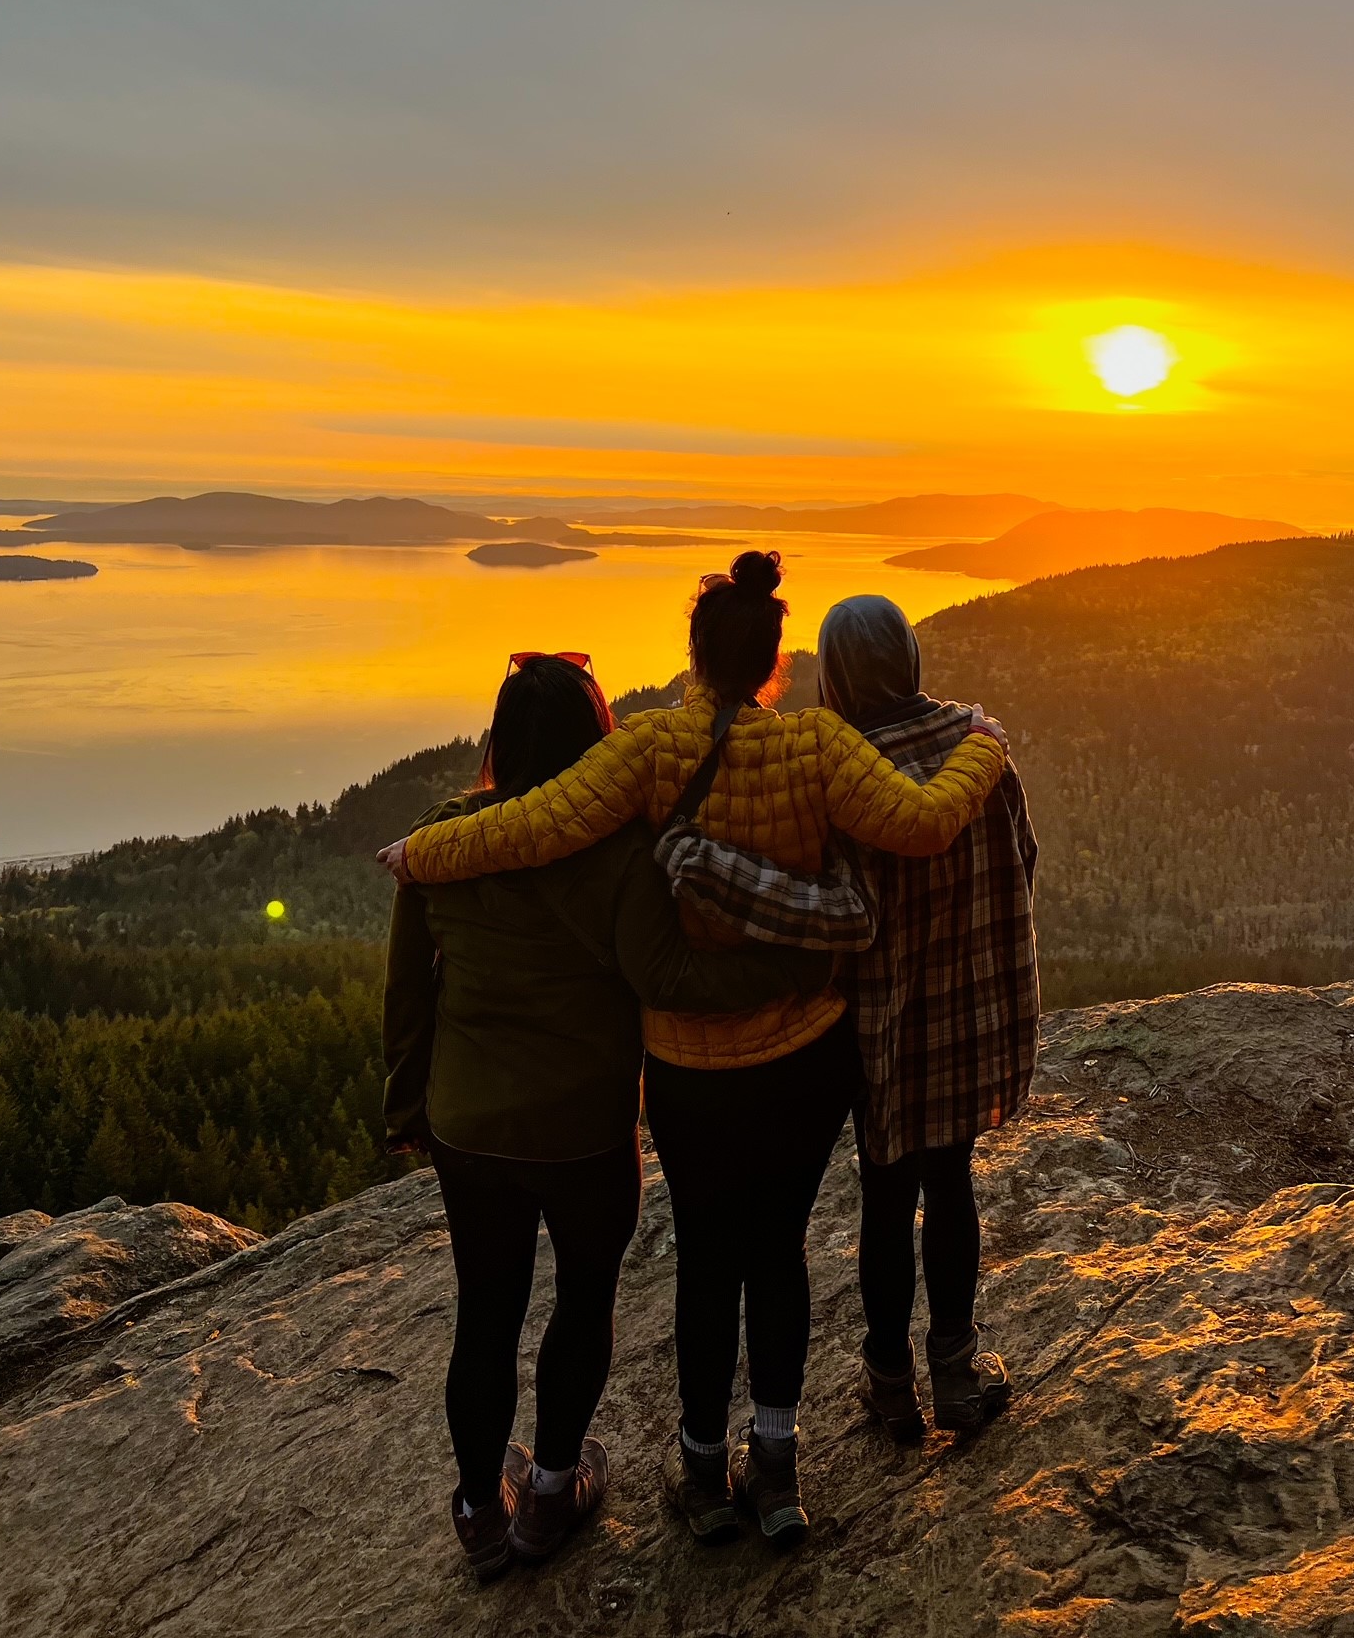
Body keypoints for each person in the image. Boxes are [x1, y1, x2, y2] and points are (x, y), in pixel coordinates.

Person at [376, 552, 1011, 1547]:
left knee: (700, 1263)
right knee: (778, 1256)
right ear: (775, 663)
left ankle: (697, 1476)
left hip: (683, 1072)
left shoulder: (650, 751)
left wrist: (423, 855)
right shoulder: (816, 744)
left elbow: (535, 821)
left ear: (696, 654)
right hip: (800, 1056)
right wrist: (982, 745)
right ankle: (777, 1468)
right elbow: (926, 824)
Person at [382, 654, 837, 1583]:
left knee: (485, 1312)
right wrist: (794, 968)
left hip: (470, 1124)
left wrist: (406, 1109)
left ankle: (480, 1514)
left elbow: (407, 996)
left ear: (500, 741)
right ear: (598, 740)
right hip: (584, 1127)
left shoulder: (441, 842)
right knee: (583, 1301)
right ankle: (553, 1491)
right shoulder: (621, 855)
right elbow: (667, 978)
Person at [659, 593, 1039, 1442]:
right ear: (908, 659)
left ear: (833, 673)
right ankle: (956, 1371)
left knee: (887, 1196)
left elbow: (835, 904)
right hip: (972, 1014)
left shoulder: (844, 768)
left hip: (880, 1029)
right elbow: (1025, 859)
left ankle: (890, 1382)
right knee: (951, 1183)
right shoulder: (980, 748)